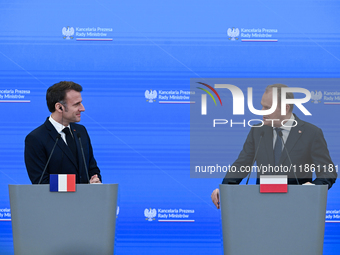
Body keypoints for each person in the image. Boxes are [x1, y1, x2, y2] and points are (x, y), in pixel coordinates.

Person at [211, 84, 337, 209]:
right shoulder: (257, 131)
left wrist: (313, 188)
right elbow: (241, 165)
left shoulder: (311, 133)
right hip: (262, 207)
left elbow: (328, 171)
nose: (261, 111)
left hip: (298, 208)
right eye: (262, 106)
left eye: (267, 107)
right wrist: (225, 190)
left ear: (285, 108)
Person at [25, 81, 102, 184]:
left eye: (81, 102)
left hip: (86, 199)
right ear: (59, 107)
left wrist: (95, 180)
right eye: (76, 104)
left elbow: (92, 168)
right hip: (56, 200)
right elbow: (41, 182)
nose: (82, 108)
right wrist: (79, 185)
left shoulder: (81, 131)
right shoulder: (35, 138)